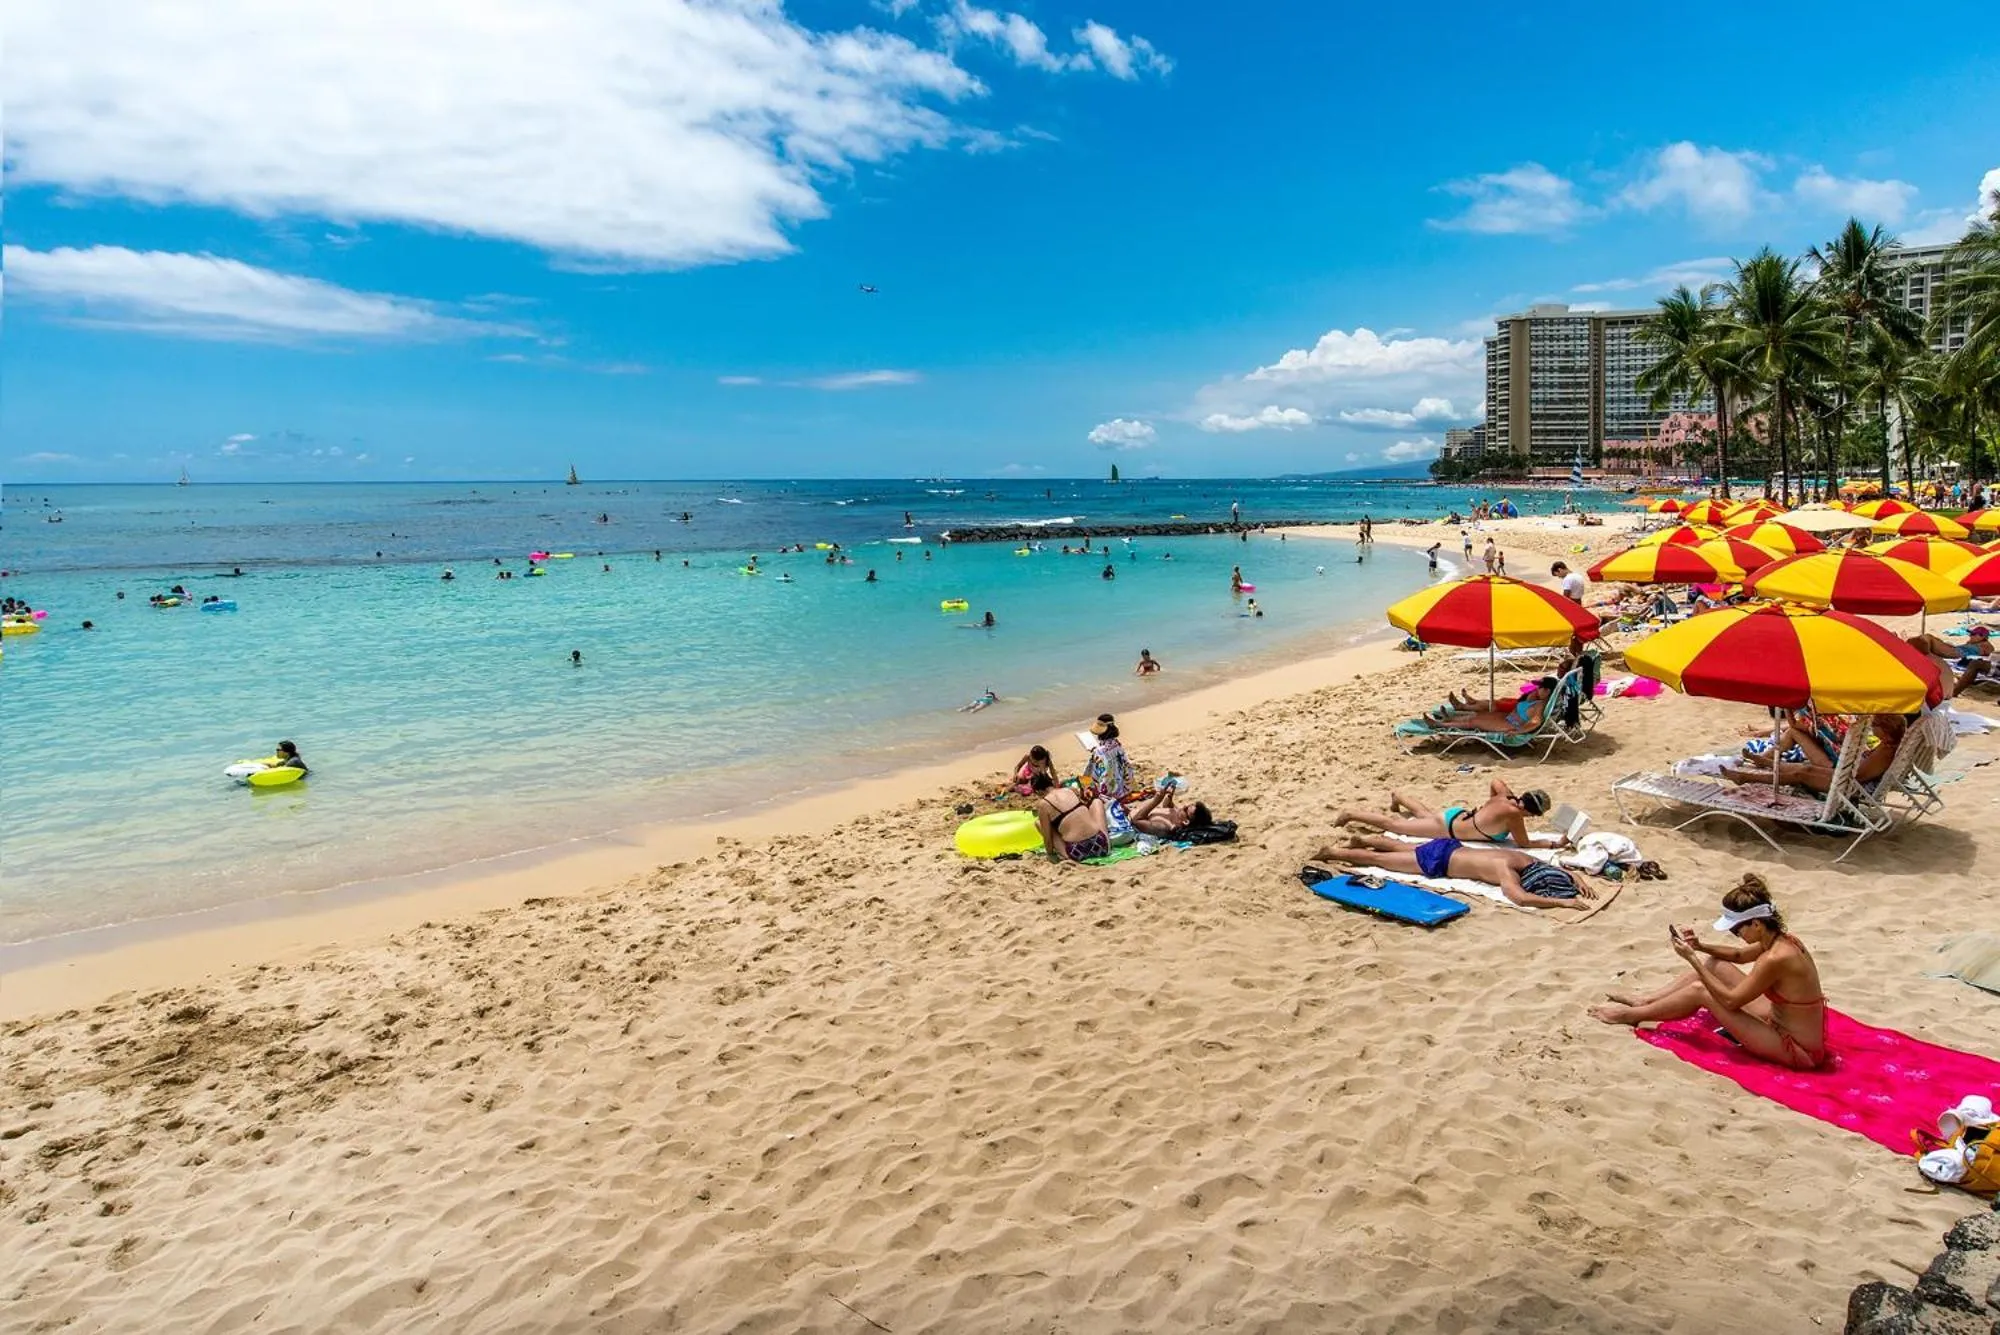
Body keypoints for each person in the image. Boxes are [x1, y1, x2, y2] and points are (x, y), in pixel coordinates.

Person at [1590, 875, 1827, 1069]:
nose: (1736, 935)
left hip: (1796, 1048)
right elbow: (1738, 955)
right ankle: (1647, 1000)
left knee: (1700, 990)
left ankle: (1632, 1015)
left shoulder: (1775, 958)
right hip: (1778, 1019)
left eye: (1736, 930)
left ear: (1756, 924)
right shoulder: (1780, 940)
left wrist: (1692, 959)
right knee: (1715, 965)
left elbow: (1731, 1001)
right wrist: (1700, 947)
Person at [1310, 834, 1593, 910]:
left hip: (1450, 846)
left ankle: (1365, 839)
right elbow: (1518, 897)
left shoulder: (1524, 859)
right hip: (1440, 861)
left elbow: (1555, 868)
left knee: (1401, 848)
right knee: (1382, 861)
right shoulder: (1506, 868)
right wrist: (1561, 902)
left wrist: (1576, 879)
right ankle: (1333, 852)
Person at [1721, 711, 1906, 794]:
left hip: (1849, 785)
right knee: (1806, 769)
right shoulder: (1888, 746)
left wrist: (1839, 764)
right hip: (1848, 777)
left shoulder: (1885, 751)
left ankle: (1746, 777)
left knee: (1803, 773)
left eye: (1875, 726)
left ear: (1886, 732)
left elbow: (1858, 776)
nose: (1872, 728)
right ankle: (1766, 763)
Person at [1331, 780, 1552, 847]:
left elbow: (1496, 781)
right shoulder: (1513, 814)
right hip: (1448, 828)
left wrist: (1489, 807)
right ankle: (1351, 814)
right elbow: (1524, 844)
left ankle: (1398, 796)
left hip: (1457, 816)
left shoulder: (1506, 796)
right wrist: (1552, 844)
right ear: (1531, 812)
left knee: (1424, 814)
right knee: (1395, 826)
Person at [1432, 677, 1559, 735]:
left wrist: (1518, 731)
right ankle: (1449, 720)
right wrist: (1530, 697)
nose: (1536, 689)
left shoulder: (1540, 704)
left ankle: (1439, 725)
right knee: (1478, 715)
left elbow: (1536, 721)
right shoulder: (1536, 700)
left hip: (1511, 724)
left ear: (1547, 691)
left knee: (1474, 722)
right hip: (1507, 718)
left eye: (1539, 688)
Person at [1032, 772, 1109, 862]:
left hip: (1077, 852)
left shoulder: (1044, 804)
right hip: (1100, 846)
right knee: (1096, 802)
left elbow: (1048, 840)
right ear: (1052, 783)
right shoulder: (1070, 790)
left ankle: (1062, 856)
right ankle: (1107, 842)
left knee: (1039, 823)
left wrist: (1050, 853)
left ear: (1038, 792)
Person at [1910, 627, 1993, 695]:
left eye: (1973, 634)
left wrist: (1970, 644)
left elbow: (1986, 652)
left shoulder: (1985, 646)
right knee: (1928, 639)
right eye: (1971, 634)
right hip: (1955, 651)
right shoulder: (1977, 644)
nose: (1970, 636)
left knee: (1927, 638)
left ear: (1982, 636)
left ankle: (1919, 660)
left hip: (1954, 653)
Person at [1125, 786, 1213, 839]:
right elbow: (1167, 806)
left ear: (1186, 822)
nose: (1184, 806)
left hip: (1125, 823)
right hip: (1128, 811)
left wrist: (1155, 801)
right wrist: (1169, 795)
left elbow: (1136, 821)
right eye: (1188, 805)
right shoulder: (1178, 813)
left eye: (1185, 809)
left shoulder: (1165, 826)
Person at [1082, 720, 1136, 801]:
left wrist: (1094, 754)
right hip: (1128, 788)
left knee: (1086, 775)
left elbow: (1092, 773)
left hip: (1111, 793)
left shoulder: (1098, 751)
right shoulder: (1117, 743)